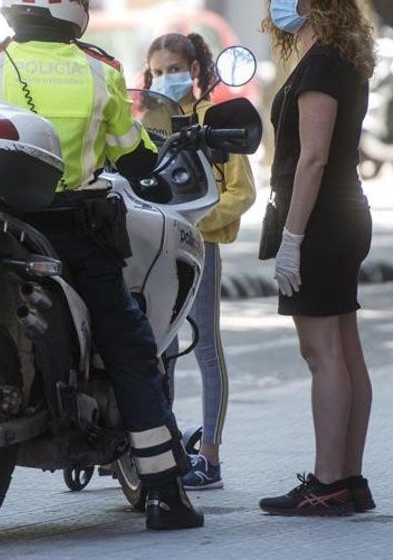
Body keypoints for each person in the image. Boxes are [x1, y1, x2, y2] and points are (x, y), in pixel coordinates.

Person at [0, 0, 203, 531]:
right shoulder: (99, 71)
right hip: (68, 231)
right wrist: (156, 158)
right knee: (132, 348)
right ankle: (165, 491)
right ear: (77, 2)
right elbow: (130, 154)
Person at [256, 0, 376, 517]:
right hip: (342, 214)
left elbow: (312, 158)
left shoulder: (322, 64)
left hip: (323, 219)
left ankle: (329, 482)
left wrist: (293, 240)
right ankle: (349, 480)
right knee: (345, 350)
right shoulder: (330, 58)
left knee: (322, 352)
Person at [145, 33, 255, 491]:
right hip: (153, 249)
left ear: (193, 71)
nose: (163, 79)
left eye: (172, 69)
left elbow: (242, 192)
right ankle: (160, 450)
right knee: (157, 351)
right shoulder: (145, 122)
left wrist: (199, 222)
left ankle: (209, 455)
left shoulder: (218, 121)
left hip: (199, 250)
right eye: (155, 72)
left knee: (205, 347)